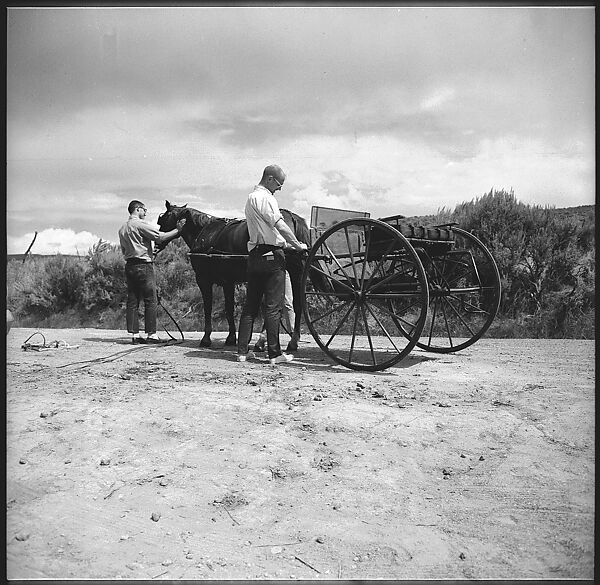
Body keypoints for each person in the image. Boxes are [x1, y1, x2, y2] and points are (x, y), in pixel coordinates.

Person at [237, 165, 308, 364]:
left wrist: (288, 244)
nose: (279, 188)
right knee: (273, 307)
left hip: (254, 256)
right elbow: (279, 225)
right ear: (269, 179)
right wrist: (297, 245)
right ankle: (275, 354)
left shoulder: (250, 199)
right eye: (279, 184)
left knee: (250, 306)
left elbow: (266, 232)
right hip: (272, 258)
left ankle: (242, 352)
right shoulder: (267, 198)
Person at [118, 200, 185, 344]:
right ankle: (152, 335)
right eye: (144, 209)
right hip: (144, 266)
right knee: (151, 300)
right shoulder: (140, 224)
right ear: (137, 209)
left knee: (133, 300)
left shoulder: (122, 229)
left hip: (130, 265)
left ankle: (135, 335)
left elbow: (124, 250)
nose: (146, 212)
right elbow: (160, 237)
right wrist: (178, 230)